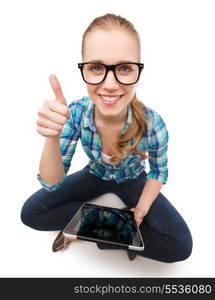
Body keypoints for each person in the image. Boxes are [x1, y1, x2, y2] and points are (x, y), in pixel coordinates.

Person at [20, 13, 192, 262]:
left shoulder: (154, 123)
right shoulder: (76, 113)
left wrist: (141, 209)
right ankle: (120, 234)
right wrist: (52, 137)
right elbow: (51, 182)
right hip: (95, 174)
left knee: (179, 245)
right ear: (84, 68)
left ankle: (83, 229)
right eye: (97, 68)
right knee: (32, 213)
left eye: (123, 68)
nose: (110, 84)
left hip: (132, 180)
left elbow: (158, 173)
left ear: (138, 71)